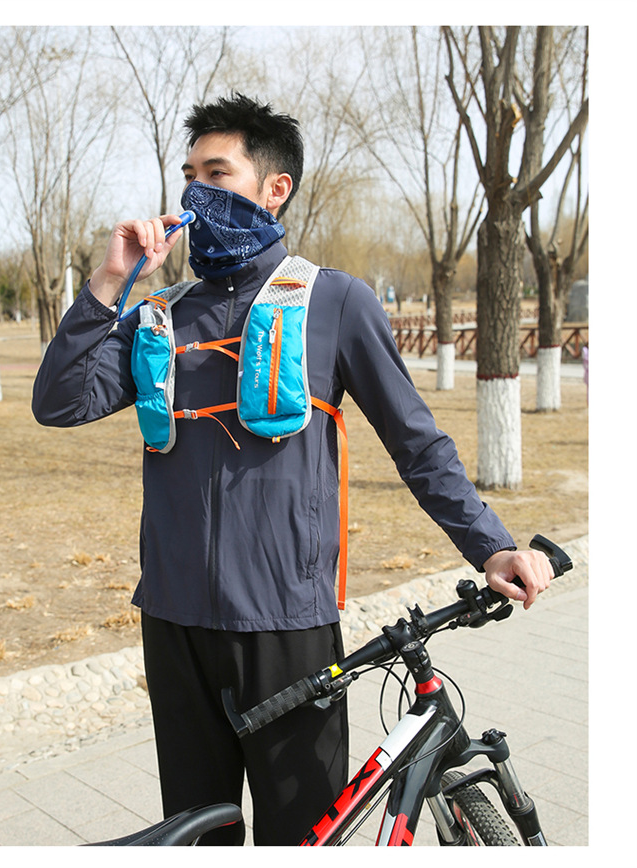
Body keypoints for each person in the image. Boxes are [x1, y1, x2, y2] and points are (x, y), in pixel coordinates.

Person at [32, 93, 553, 846]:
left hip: (286, 628)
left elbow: (417, 443)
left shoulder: (334, 301)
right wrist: (111, 282)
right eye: (189, 175)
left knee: (302, 837)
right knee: (196, 838)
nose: (195, 192)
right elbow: (58, 402)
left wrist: (491, 545)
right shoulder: (162, 314)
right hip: (174, 622)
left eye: (217, 173)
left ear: (274, 188)